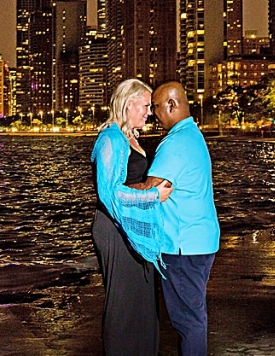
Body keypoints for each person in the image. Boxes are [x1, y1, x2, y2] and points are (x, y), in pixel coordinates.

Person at [91, 78, 174, 356]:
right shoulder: (110, 138)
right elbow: (109, 193)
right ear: (128, 104)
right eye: (146, 106)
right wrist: (153, 196)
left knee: (143, 300)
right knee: (123, 303)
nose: (150, 112)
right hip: (114, 228)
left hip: (131, 227)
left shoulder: (130, 138)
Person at [143, 81, 220, 356]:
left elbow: (151, 188)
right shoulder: (192, 135)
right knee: (193, 316)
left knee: (188, 321)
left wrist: (114, 190)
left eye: (155, 107)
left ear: (172, 105)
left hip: (183, 245)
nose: (152, 113)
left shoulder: (175, 143)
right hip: (199, 240)